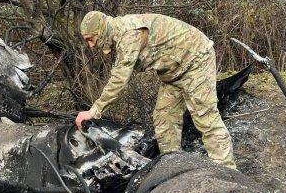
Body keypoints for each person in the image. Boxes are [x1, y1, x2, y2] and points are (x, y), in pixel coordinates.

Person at [75, 11, 236, 170]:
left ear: (102, 30)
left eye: (91, 39)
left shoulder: (128, 34)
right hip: (173, 72)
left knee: (205, 116)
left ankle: (227, 173)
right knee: (164, 118)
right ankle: (173, 169)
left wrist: (94, 111)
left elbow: (119, 79)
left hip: (196, 59)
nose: (91, 45)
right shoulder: (119, 33)